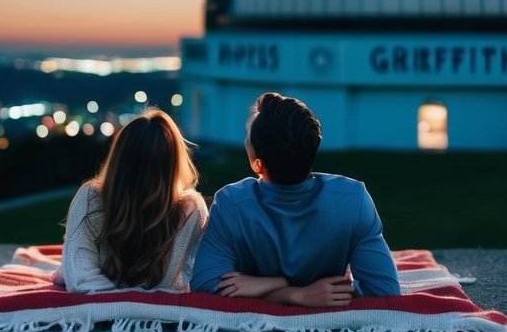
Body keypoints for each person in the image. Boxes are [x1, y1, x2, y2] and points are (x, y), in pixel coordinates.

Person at [190, 92, 401, 304]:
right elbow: (384, 291)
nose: (245, 140)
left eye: (247, 136)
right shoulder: (352, 199)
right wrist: (295, 292)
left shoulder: (231, 203)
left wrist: (273, 285)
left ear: (257, 164)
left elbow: (206, 285)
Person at [57, 108, 208, 292]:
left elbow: (165, 284)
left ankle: (65, 267)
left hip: (108, 290)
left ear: (118, 158)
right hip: (117, 285)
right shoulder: (91, 198)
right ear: (174, 163)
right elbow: (81, 279)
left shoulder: (190, 208)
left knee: (69, 268)